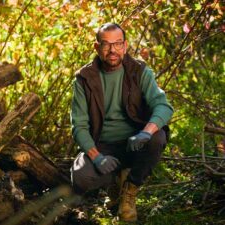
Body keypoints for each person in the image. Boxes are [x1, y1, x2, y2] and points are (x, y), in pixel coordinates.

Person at [70, 23, 174, 222]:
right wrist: (97, 157)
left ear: (125, 46)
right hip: (104, 145)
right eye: (106, 44)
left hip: (136, 142)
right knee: (81, 177)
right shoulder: (84, 79)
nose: (112, 50)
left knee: (156, 136)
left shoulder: (139, 71)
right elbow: (79, 126)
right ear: (96, 47)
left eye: (117, 44)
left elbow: (163, 106)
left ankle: (130, 189)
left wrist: (146, 132)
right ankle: (115, 183)